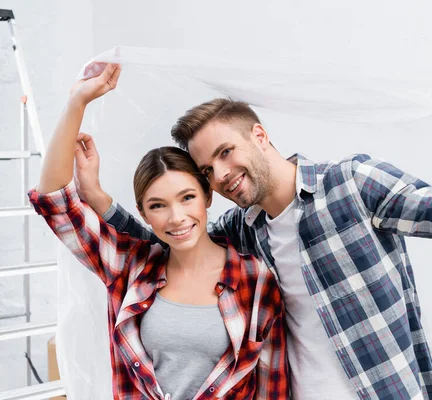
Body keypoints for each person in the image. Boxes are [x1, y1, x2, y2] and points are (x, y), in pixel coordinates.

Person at [80, 88, 432, 399]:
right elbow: (173, 236)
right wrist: (100, 199)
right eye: (207, 171)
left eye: (226, 153)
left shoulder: (352, 184)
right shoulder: (243, 230)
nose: (221, 176)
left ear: (260, 135)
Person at [28, 64, 288, 400]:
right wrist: (77, 101)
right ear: (143, 214)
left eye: (187, 198)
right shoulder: (129, 267)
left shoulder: (256, 279)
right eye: (158, 205)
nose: (176, 217)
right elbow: (54, 202)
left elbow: (273, 388)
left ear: (208, 196)